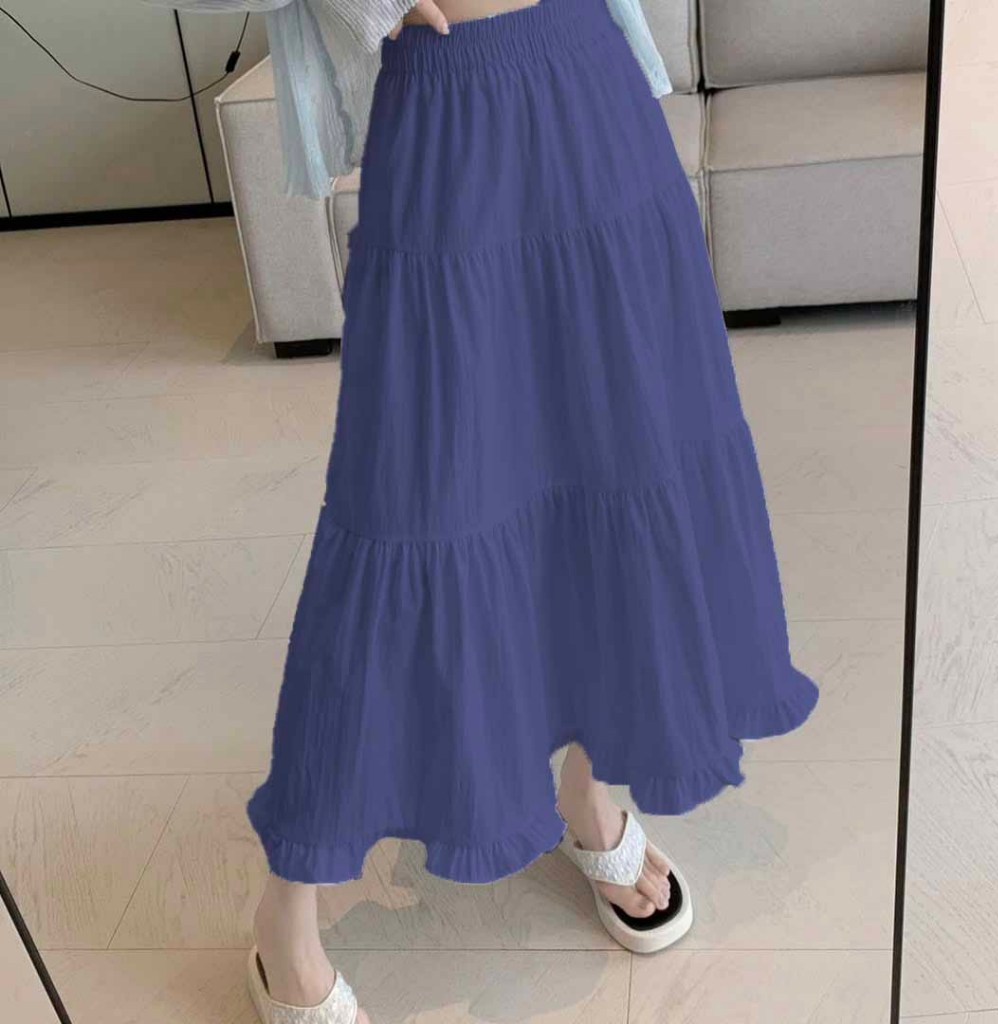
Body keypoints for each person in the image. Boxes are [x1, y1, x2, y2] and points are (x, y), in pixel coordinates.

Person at [146, 1, 820, 1020]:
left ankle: (588, 791)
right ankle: (287, 909)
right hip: (448, 104)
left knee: (623, 466)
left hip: (589, 84)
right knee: (409, 512)